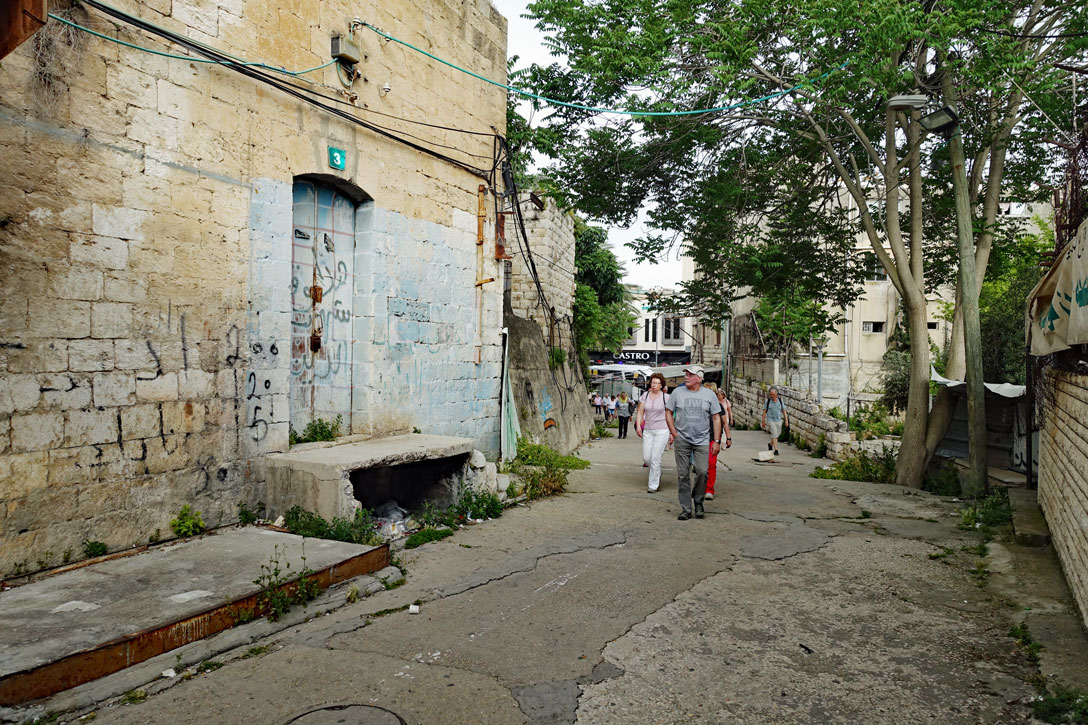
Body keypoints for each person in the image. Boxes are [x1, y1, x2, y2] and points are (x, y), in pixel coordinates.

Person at [665, 365, 722, 520]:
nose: (687, 377)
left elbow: (717, 418)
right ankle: (686, 509)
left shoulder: (709, 395)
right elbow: (668, 412)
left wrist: (717, 440)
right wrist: (673, 432)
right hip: (682, 439)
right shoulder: (677, 392)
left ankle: (698, 501)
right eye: (686, 374)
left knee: (703, 471)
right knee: (683, 475)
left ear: (699, 378)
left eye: (690, 375)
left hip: (702, 440)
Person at [635, 373, 670, 492]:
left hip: (662, 430)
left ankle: (653, 485)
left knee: (655, 458)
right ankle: (658, 471)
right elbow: (640, 412)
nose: (654, 385)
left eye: (656, 383)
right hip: (648, 429)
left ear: (661, 385)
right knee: (646, 458)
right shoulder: (645, 395)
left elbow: (670, 415)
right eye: (652, 382)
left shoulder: (666, 397)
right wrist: (639, 426)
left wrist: (672, 432)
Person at [706, 387, 733, 500]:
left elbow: (725, 423)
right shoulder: (699, 405)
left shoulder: (719, 406)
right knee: (701, 467)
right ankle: (700, 487)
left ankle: (709, 490)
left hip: (713, 438)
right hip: (699, 439)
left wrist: (728, 437)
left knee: (711, 464)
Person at [761, 386, 789, 456]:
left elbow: (784, 410)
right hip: (770, 420)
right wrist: (763, 421)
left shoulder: (780, 401)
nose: (771, 396)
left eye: (773, 395)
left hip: (778, 420)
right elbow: (764, 412)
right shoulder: (768, 402)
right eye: (770, 394)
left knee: (777, 434)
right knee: (774, 433)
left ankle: (770, 444)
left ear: (776, 394)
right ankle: (776, 450)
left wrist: (786, 420)